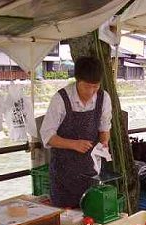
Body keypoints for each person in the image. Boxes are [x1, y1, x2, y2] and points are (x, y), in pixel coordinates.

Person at [40, 56, 112, 208]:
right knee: (66, 219)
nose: (91, 91)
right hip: (63, 172)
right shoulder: (61, 99)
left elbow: (104, 127)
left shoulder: (103, 98)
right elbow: (47, 136)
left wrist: (104, 142)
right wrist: (74, 144)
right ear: (77, 80)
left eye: (96, 86)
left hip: (91, 170)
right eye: (87, 86)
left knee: (91, 212)